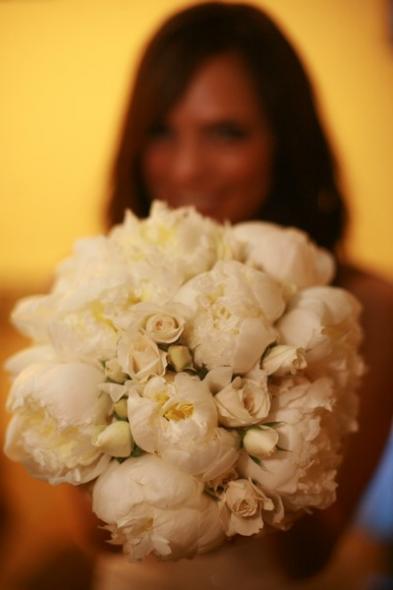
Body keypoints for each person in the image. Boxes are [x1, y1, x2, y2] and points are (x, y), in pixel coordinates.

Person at [99, 2, 393, 587]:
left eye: (225, 133)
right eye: (162, 131)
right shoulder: (106, 286)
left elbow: (307, 557)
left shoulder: (363, 308)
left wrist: (240, 395)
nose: (186, 169)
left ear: (284, 143)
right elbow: (94, 535)